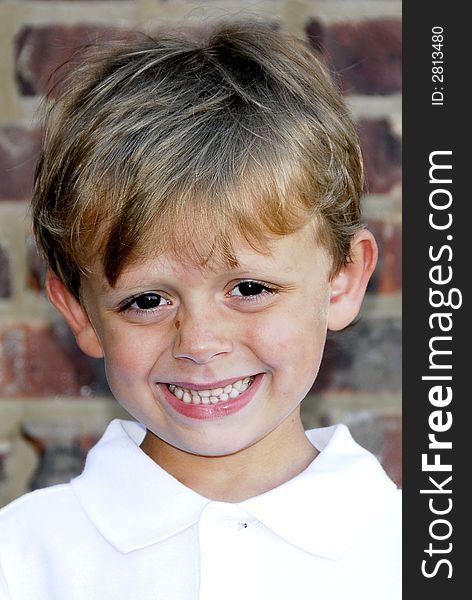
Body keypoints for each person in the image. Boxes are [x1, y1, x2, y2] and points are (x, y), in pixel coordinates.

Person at [0, 22, 401, 599]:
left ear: (342, 281)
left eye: (251, 289)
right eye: (147, 301)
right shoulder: (24, 559)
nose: (200, 342)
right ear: (82, 314)